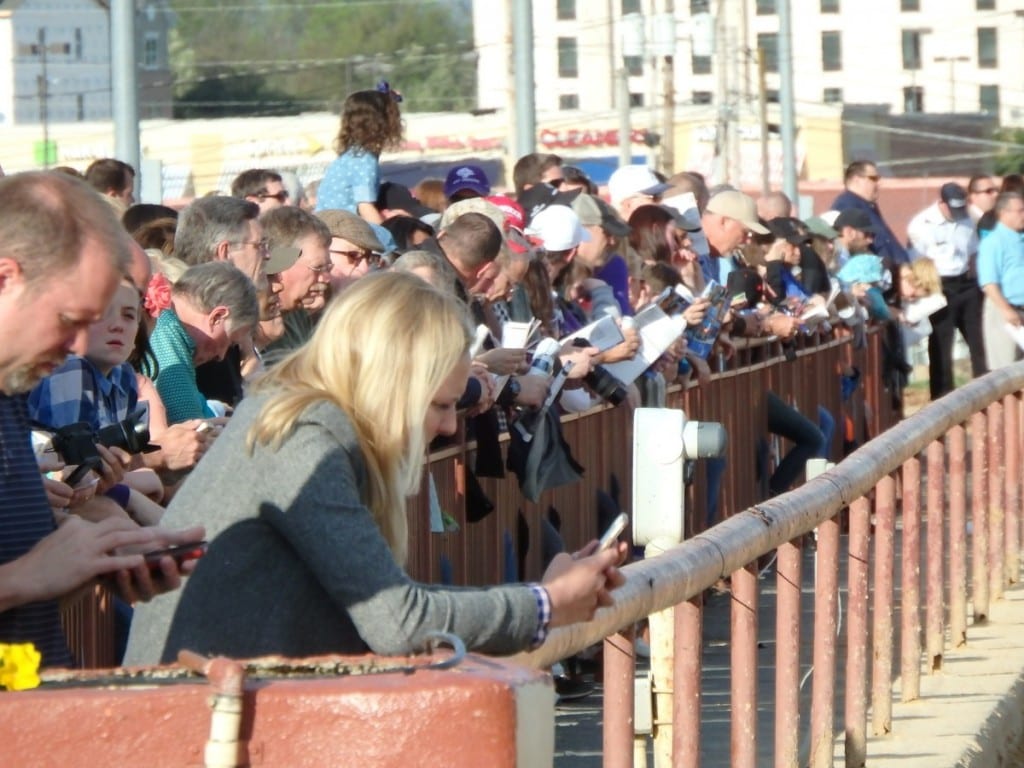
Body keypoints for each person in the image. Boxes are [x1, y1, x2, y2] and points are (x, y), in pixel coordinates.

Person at [124, 271, 626, 663]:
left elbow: (383, 603)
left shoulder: (302, 416)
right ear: (391, 383)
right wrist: (546, 604)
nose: (451, 428)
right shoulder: (306, 435)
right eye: (438, 405)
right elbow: (398, 621)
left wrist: (543, 598)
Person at [0, 170, 202, 668]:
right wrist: (28, 575)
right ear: (5, 277)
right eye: (69, 321)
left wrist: (93, 562)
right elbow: (25, 578)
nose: (74, 348)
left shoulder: (12, 393)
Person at [148, 261, 259, 424]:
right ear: (217, 317)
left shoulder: (171, 330)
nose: (221, 356)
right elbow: (189, 426)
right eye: (229, 342)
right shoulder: (168, 332)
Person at [906, 182, 986, 398]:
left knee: (979, 342)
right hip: (939, 286)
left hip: (966, 284)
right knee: (941, 345)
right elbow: (918, 262)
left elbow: (973, 251)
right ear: (941, 202)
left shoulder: (970, 217)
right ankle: (942, 397)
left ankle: (986, 394)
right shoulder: (921, 224)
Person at [315, 84, 403, 223]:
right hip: (344, 228)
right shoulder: (365, 161)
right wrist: (388, 239)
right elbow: (365, 207)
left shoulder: (353, 155)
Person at [977, 191, 1024, 369]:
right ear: (1003, 213)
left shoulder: (1021, 239)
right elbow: (989, 283)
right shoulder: (993, 242)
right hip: (1005, 310)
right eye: (1019, 211)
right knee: (1005, 370)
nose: (1023, 215)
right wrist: (1006, 310)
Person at [830, 160, 909, 267]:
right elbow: (855, 246)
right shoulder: (847, 206)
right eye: (873, 178)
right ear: (856, 180)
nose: (878, 183)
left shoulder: (868, 205)